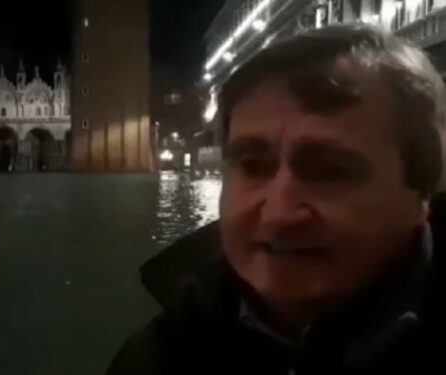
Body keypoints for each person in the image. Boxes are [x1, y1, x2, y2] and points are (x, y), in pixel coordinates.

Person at [107, 24, 446, 374]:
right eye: (253, 166)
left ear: (421, 191)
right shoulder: (154, 357)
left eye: (331, 171)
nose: (279, 215)